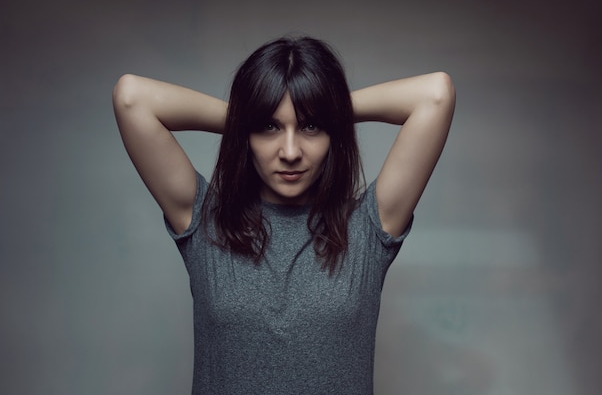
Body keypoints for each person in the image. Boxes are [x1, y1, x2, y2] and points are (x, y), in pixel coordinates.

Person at [113, 36, 455, 395]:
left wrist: (326, 106)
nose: (290, 151)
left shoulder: (367, 228)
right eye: (269, 127)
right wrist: (250, 113)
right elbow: (131, 98)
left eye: (310, 127)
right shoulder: (205, 220)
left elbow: (436, 95)